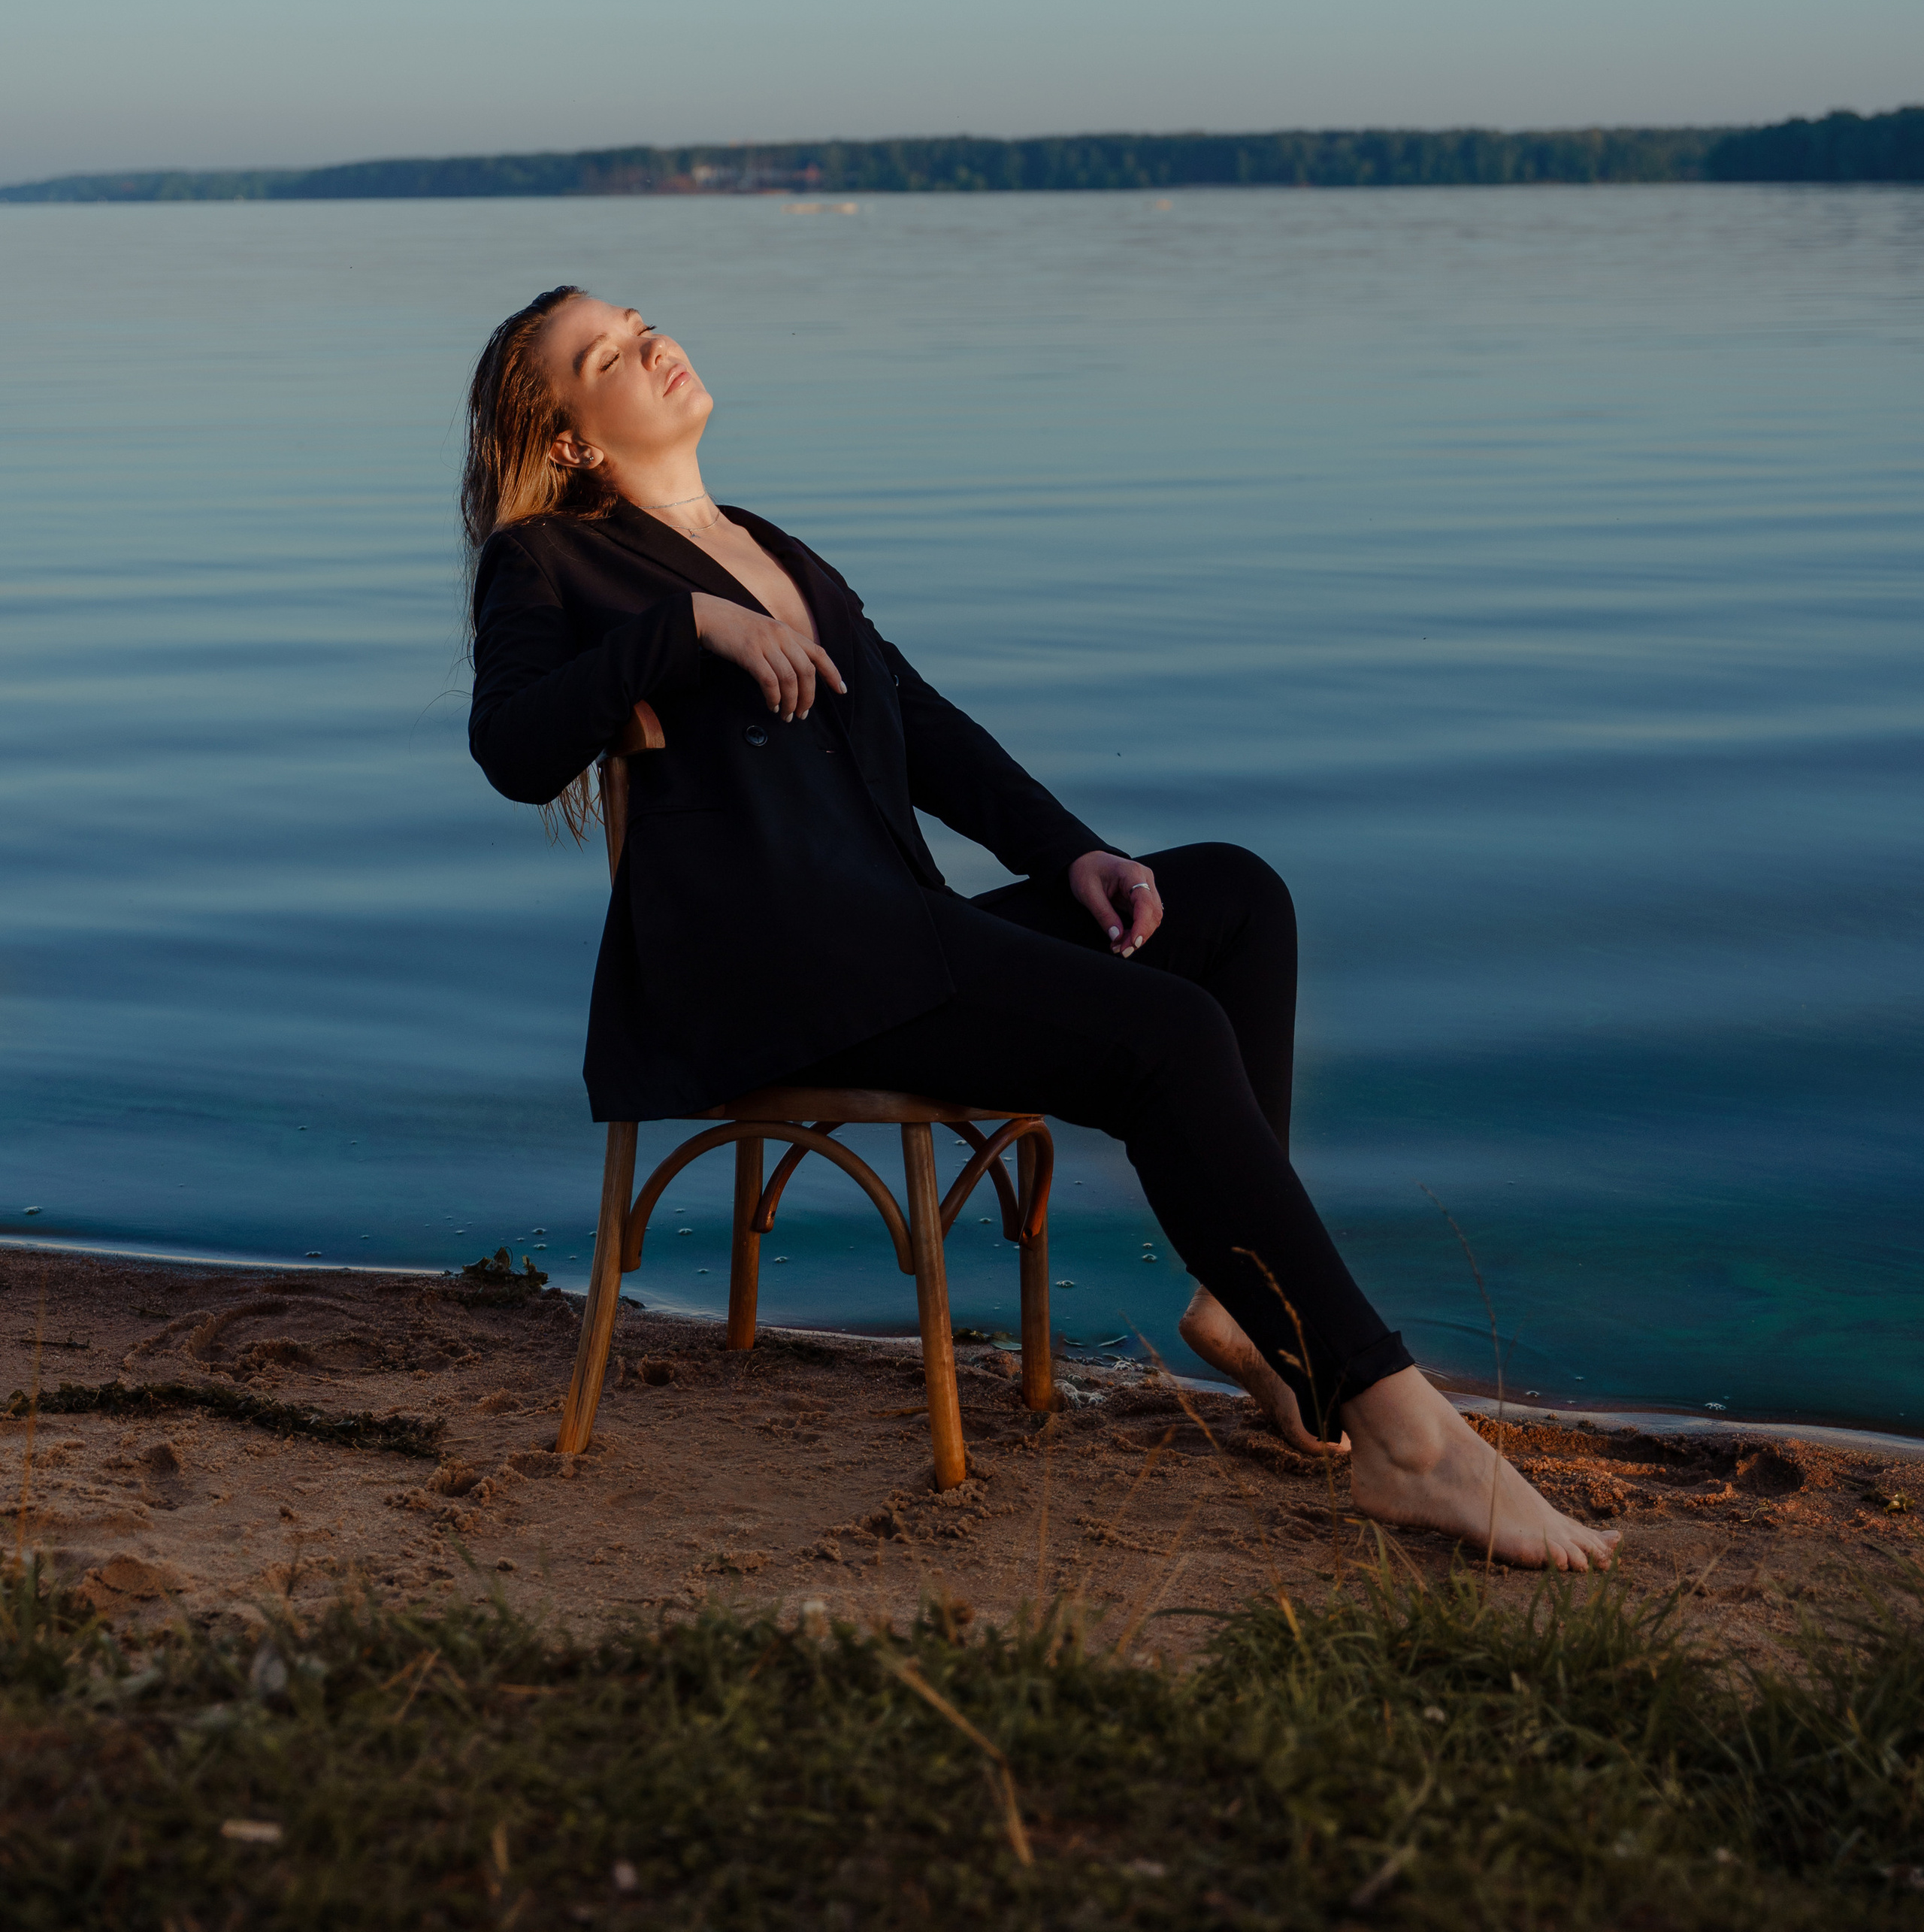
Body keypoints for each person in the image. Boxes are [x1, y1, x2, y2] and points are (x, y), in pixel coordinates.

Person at [464, 283, 1617, 1572]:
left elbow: (925, 727)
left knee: (1232, 900)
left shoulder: (769, 540)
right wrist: (686, 629)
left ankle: (1245, 1314)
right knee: (1164, 1035)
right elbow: (510, 747)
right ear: (568, 439)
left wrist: (1073, 853)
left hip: (893, 940)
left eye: (643, 319)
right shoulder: (551, 560)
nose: (654, 344)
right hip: (774, 977)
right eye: (609, 353)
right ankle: (1408, 1442)